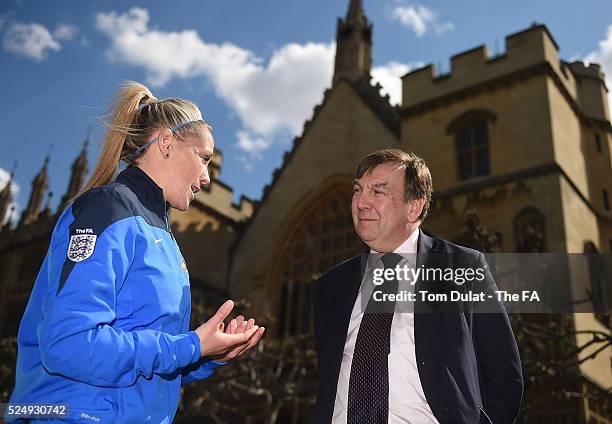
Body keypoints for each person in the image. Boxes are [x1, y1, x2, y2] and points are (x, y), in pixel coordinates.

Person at [7, 81, 265, 423]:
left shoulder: (165, 239)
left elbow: (146, 367)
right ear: (166, 142)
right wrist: (190, 346)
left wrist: (209, 353)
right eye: (203, 159)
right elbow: (69, 345)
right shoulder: (107, 210)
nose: (206, 178)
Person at [313, 149, 523, 424]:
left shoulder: (463, 266)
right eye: (357, 190)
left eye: (378, 192)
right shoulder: (330, 286)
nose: (361, 203)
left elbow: (503, 375)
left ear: (414, 207)